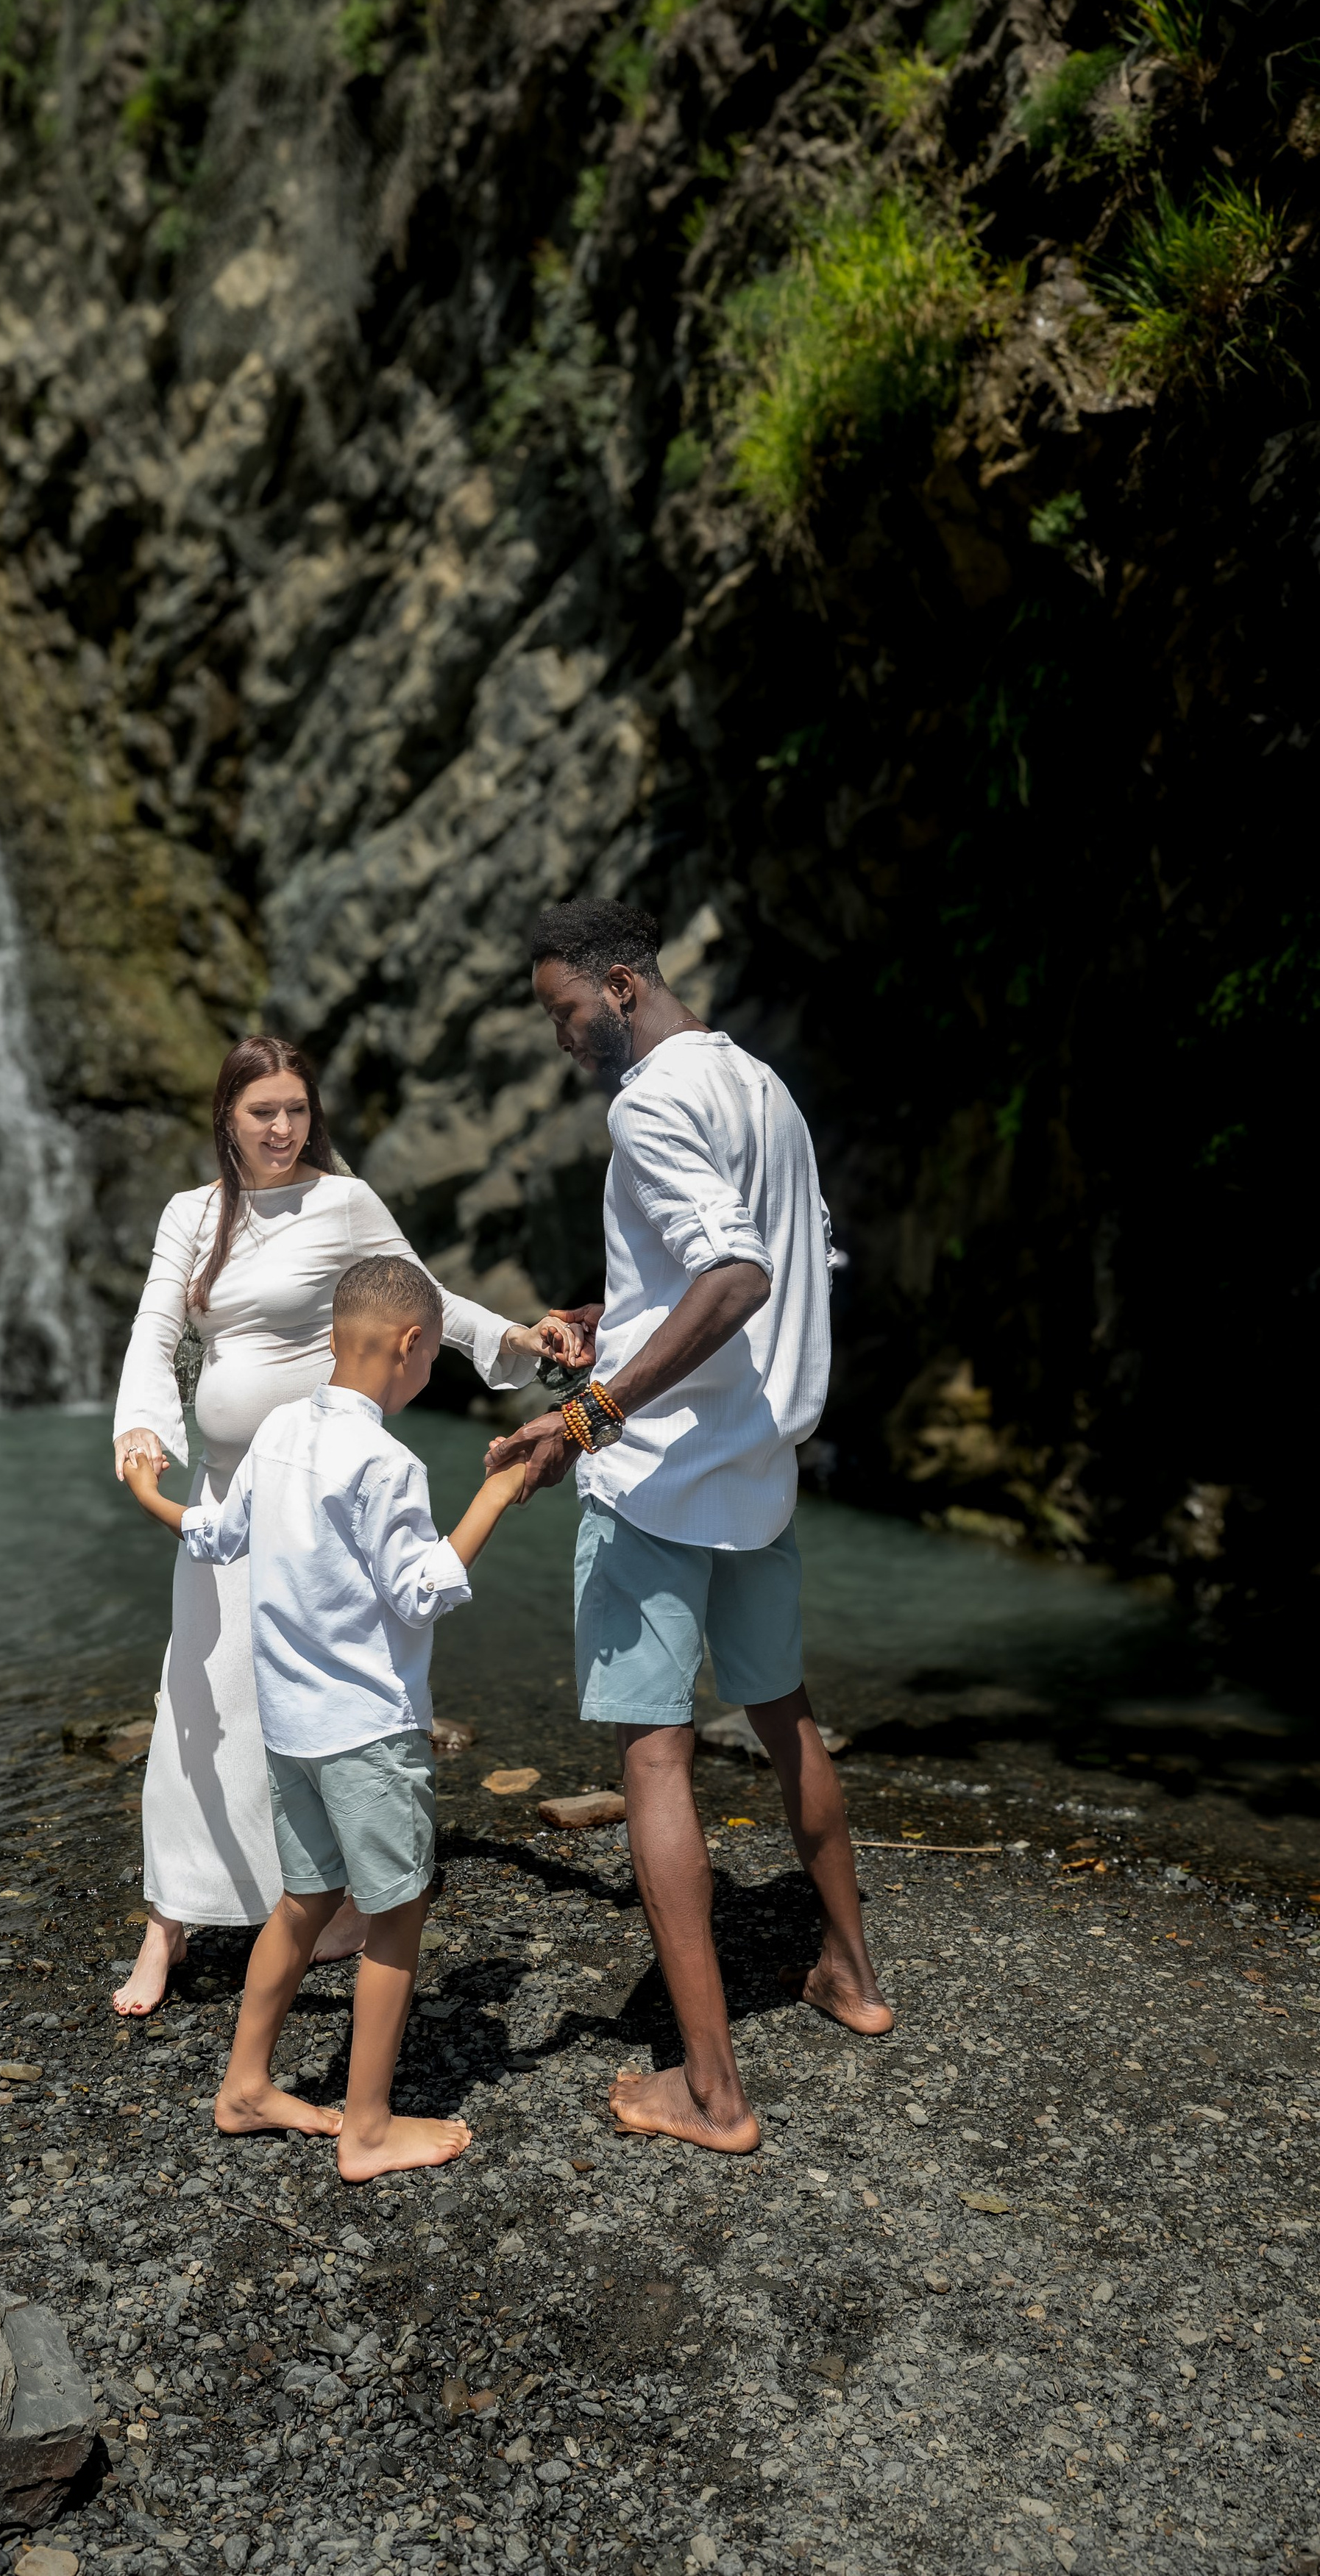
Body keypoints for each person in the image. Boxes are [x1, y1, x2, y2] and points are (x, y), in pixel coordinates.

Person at [486, 898, 893, 2155]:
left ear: (619, 985)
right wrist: (634, 1304)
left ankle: (710, 2090)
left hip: (657, 1479)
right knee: (787, 1714)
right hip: (755, 1466)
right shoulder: (759, 1086)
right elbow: (779, 1256)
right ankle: (851, 1975)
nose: (563, 1036)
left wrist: (587, 1416)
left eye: (565, 1009)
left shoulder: (650, 1101)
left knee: (655, 1760)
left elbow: (736, 1273)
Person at [109, 1035, 579, 2014]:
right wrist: (145, 1429)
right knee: (197, 1699)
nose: (283, 1130)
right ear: (226, 1118)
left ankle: (327, 1904)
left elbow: (424, 1300)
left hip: (317, 1492)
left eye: (296, 1110)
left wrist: (518, 1344)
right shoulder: (191, 1217)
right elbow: (157, 1335)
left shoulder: (345, 1201)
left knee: (313, 1703)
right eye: (261, 1113)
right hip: (228, 1486)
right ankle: (170, 1923)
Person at [124, 1256, 529, 2177]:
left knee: (304, 1901)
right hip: (367, 1729)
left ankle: (247, 2085)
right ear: (412, 1344)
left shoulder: (273, 1432)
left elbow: (218, 1536)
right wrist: (498, 1494)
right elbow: (421, 1591)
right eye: (431, 1361)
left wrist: (150, 1490)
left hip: (288, 1726)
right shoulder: (389, 1461)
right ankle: (370, 2126)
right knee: (395, 1912)